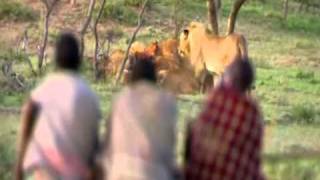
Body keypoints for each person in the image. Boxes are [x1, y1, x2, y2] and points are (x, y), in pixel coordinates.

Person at [15, 32, 101, 180]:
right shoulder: (90, 96)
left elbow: (28, 115)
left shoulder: (45, 88)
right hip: (77, 172)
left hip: (47, 170)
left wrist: (19, 167)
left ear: (56, 59)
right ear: (79, 60)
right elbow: (94, 145)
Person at [184, 59, 265, 180]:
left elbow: (195, 135)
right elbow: (254, 156)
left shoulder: (217, 97)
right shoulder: (253, 111)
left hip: (201, 173)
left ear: (229, 76)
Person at [103, 53, 178, 180]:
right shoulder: (167, 102)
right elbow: (170, 145)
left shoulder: (121, 100)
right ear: (154, 78)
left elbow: (107, 143)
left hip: (120, 174)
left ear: (132, 79)